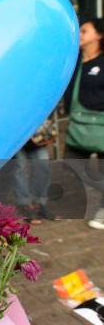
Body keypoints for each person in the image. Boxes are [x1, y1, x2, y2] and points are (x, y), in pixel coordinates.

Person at [64, 18, 104, 230]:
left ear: (99, 35)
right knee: (72, 165)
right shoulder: (74, 61)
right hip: (77, 126)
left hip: (100, 126)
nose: (79, 34)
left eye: (84, 31)